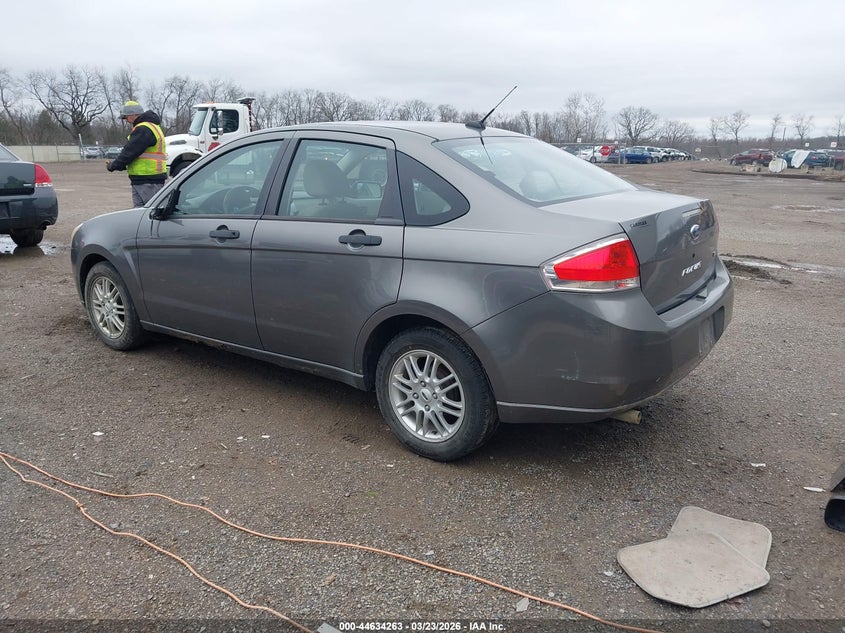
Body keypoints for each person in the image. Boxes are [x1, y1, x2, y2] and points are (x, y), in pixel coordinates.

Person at [107, 100, 167, 206]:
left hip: (147, 179)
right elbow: (137, 155)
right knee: (141, 214)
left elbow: (130, 152)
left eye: (126, 117)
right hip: (146, 179)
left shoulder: (144, 129)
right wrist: (121, 165)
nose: (126, 120)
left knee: (150, 213)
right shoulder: (151, 127)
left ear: (133, 115)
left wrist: (113, 165)